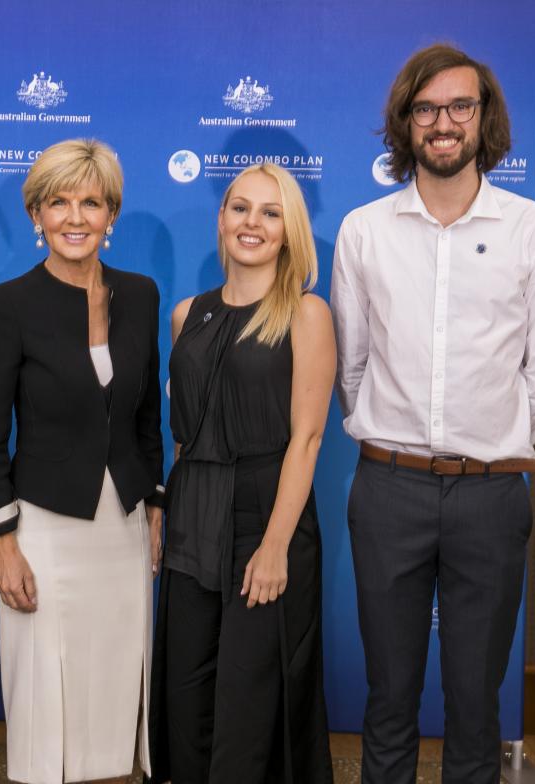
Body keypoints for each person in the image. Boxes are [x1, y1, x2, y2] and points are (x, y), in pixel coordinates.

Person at [331, 44, 535, 784]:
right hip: (388, 492)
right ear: (406, 123)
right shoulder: (364, 230)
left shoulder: (534, 230)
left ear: (484, 117)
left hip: (491, 497)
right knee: (389, 696)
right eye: (426, 108)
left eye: (459, 106)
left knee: (476, 701)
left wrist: (488, 445)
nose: (444, 123)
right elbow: (352, 364)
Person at [0, 138, 164, 784]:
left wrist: (156, 504)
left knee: (112, 689)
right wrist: (3, 544)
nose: (75, 218)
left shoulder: (141, 295)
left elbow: (146, 418)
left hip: (122, 529)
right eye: (59, 203)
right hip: (41, 528)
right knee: (44, 699)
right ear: (37, 216)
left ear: (111, 217)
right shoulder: (7, 305)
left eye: (91, 203)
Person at [148, 163, 334, 784]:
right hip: (192, 515)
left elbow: (307, 439)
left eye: (270, 212)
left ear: (289, 232)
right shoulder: (185, 315)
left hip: (265, 515)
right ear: (221, 218)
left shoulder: (306, 315)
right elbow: (184, 435)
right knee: (187, 692)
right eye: (240, 208)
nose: (251, 222)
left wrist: (276, 544)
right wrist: (165, 514)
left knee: (250, 704)